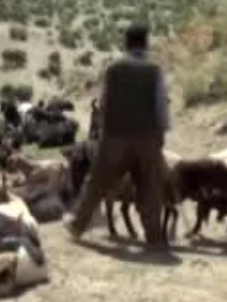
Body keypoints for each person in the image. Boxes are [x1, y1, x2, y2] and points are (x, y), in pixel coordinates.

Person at [65, 22, 171, 248]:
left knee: (97, 182)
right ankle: (154, 237)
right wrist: (161, 134)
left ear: (126, 44)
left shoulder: (113, 70)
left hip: (115, 139)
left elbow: (103, 104)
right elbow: (161, 106)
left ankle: (77, 224)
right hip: (147, 139)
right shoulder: (155, 71)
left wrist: (105, 131)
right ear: (145, 43)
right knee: (150, 186)